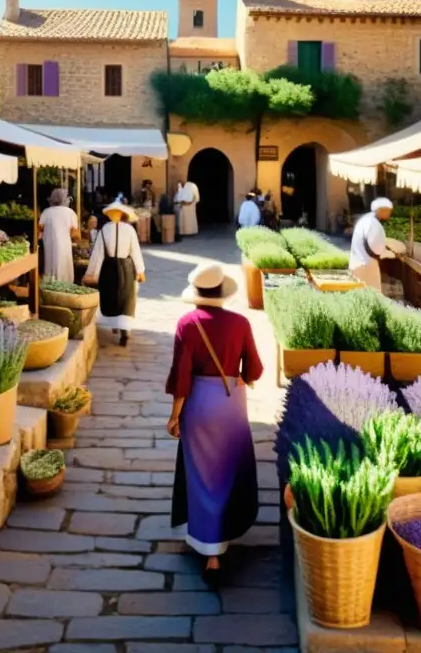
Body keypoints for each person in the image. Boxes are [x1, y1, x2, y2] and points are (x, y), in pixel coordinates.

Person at [166, 263, 262, 583]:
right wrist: (242, 377)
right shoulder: (240, 323)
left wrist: (175, 415)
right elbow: (255, 369)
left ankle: (209, 553)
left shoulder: (187, 324)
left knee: (201, 475)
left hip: (199, 404)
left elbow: (181, 378)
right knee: (226, 470)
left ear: (196, 294)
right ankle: (223, 536)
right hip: (230, 402)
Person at [83, 199, 145, 346]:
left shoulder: (104, 229)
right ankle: (124, 331)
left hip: (108, 267)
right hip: (126, 268)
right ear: (124, 216)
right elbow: (135, 252)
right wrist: (141, 271)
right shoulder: (130, 230)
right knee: (125, 298)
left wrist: (92, 272)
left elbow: (98, 253)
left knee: (111, 296)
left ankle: (115, 325)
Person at [349, 197, 394, 291]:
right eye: (389, 211)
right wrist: (386, 252)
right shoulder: (372, 222)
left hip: (359, 262)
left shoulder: (367, 219)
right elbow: (375, 246)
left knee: (359, 292)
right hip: (366, 264)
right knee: (372, 294)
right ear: (381, 209)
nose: (390, 213)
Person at [39, 188, 79, 283]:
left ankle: (48, 287)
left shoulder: (46, 212)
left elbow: (39, 228)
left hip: (49, 245)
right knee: (64, 268)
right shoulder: (70, 213)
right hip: (64, 245)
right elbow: (75, 233)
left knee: (49, 266)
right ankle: (65, 287)